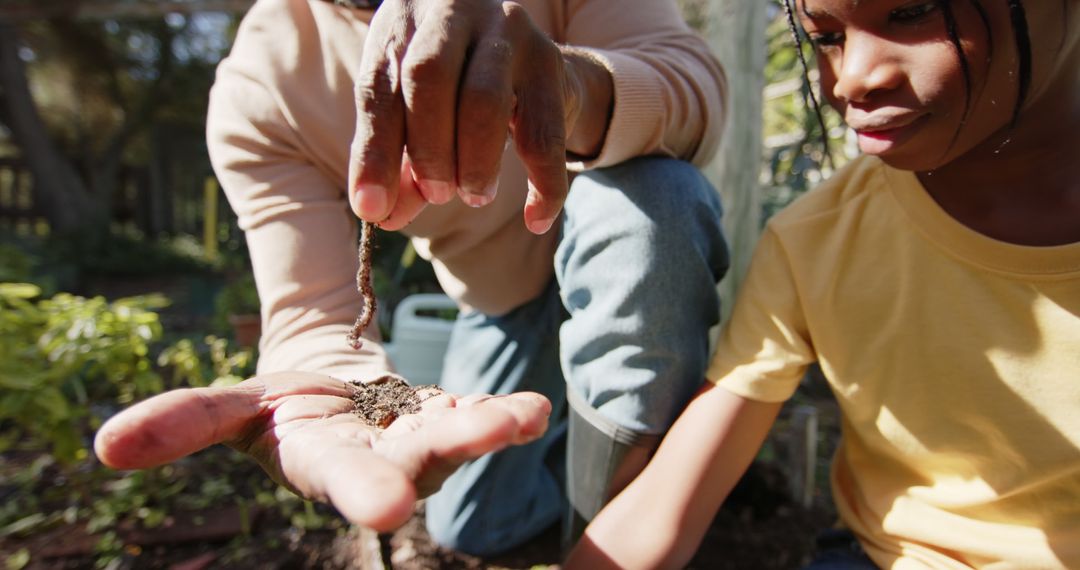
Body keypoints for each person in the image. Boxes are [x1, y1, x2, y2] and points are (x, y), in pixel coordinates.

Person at [97, 0, 731, 557]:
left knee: (657, 204)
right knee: (471, 527)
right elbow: (314, 311)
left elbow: (696, 92)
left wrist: (566, 87)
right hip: (502, 297)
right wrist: (341, 384)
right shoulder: (262, 83)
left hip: (624, 248)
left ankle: (632, 518)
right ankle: (598, 434)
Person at [565, 0, 1080, 568]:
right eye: (826, 38)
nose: (854, 76)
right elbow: (665, 506)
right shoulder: (815, 241)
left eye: (913, 13)